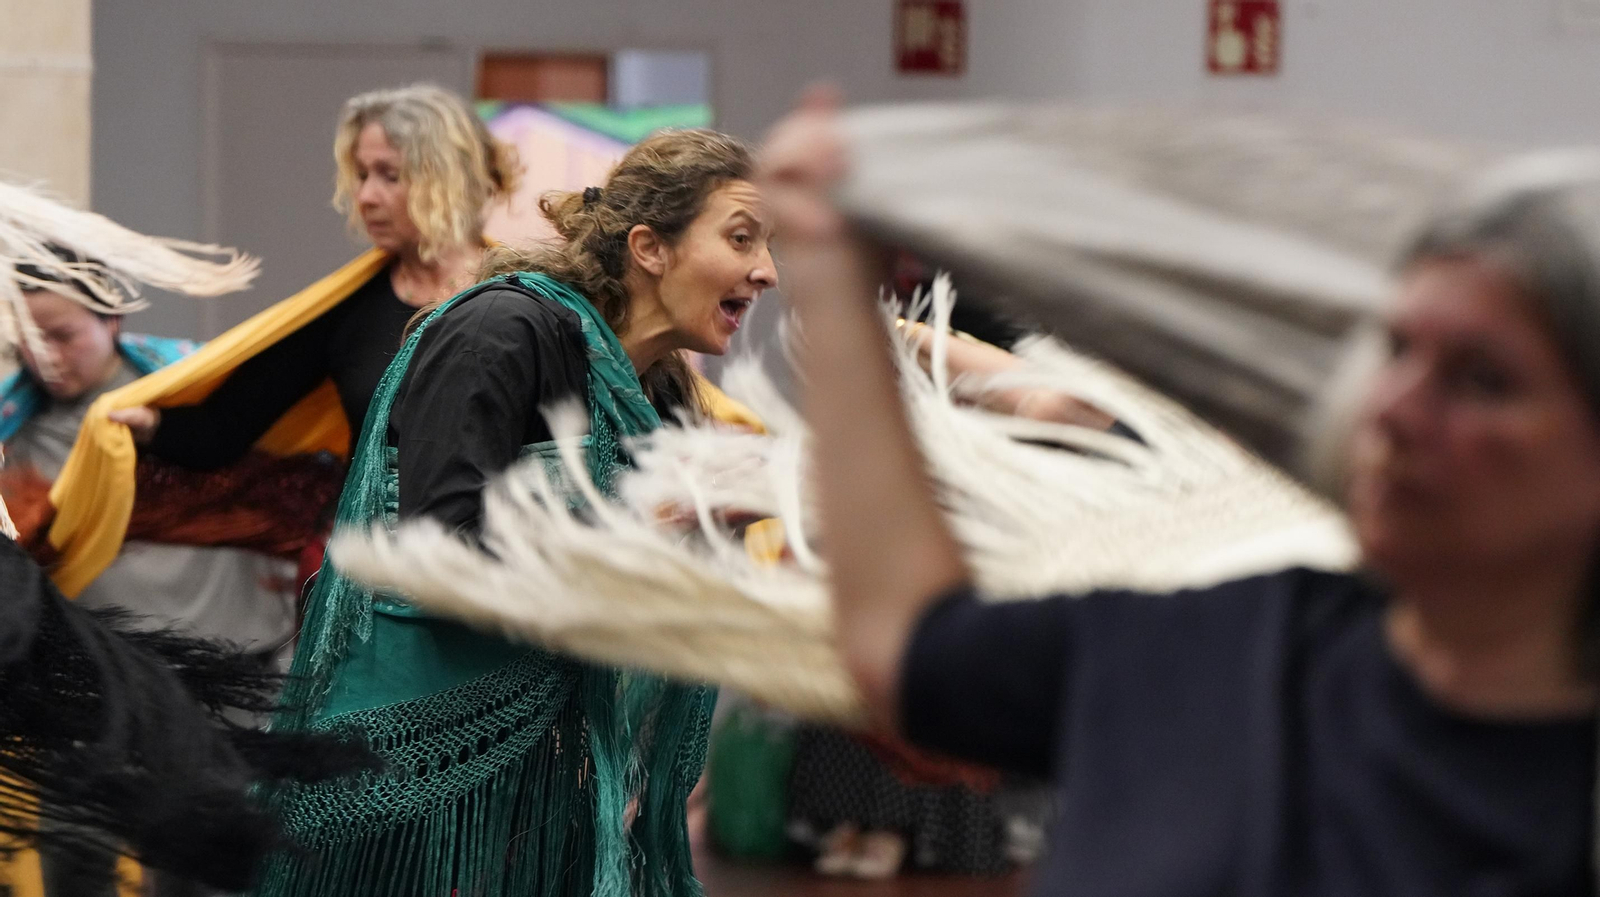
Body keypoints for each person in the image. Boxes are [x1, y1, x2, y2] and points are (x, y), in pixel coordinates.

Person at [762, 90, 1600, 895]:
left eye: (1483, 380)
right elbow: (905, 644)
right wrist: (831, 279)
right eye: (1396, 350)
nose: (1394, 408)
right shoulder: (1215, 651)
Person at [255, 128, 777, 897]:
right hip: (404, 766)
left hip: (536, 772)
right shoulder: (502, 329)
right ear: (649, 247)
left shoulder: (655, 389)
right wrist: (664, 518)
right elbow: (440, 549)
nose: (766, 272)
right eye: (742, 238)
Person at [44, 83, 518, 599]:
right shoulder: (348, 311)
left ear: (446, 178)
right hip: (375, 581)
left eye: (390, 175)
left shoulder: (529, 302)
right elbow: (224, 429)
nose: (365, 197)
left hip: (505, 575)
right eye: (361, 175)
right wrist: (148, 422)